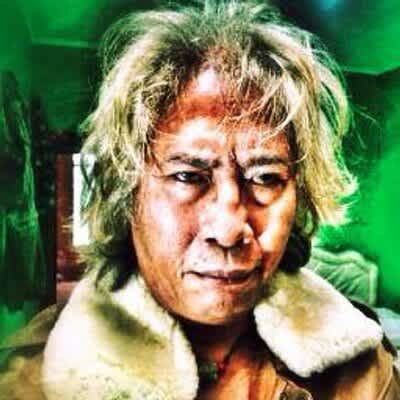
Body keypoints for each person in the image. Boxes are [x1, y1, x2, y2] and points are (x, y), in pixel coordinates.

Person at [1, 1, 399, 399]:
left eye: (265, 178)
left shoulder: (361, 373)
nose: (228, 230)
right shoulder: (30, 382)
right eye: (188, 177)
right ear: (126, 194)